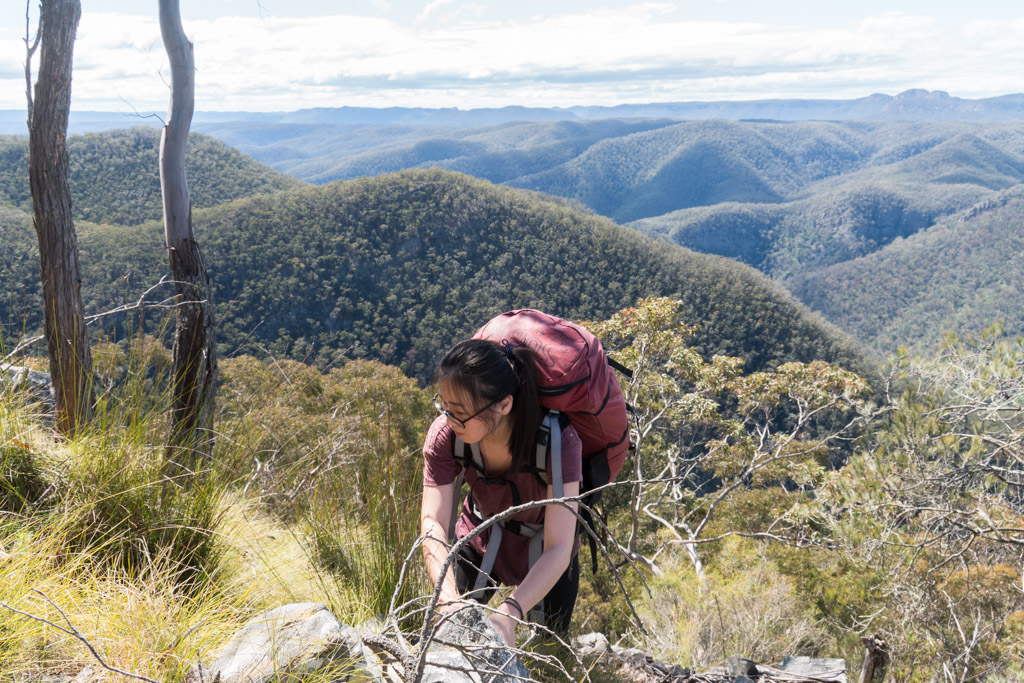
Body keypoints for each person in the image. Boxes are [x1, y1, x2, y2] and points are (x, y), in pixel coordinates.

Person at [420, 338, 582, 646]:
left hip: (546, 549)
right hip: (480, 536)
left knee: (551, 650)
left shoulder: (558, 442)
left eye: (459, 411)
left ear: (505, 405)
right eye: (444, 405)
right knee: (446, 640)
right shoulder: (447, 435)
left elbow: (559, 546)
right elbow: (433, 523)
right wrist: (447, 599)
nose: (449, 420)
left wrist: (510, 613)